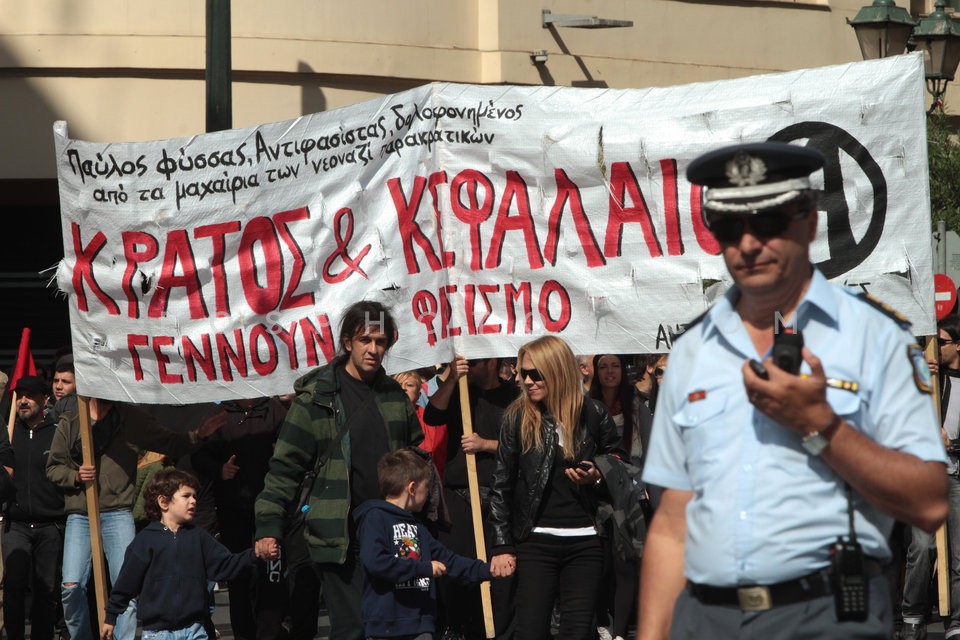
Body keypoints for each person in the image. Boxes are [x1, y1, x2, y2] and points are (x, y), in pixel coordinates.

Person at [638, 141, 949, 640]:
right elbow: (674, 521)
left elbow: (929, 502)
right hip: (705, 619)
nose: (747, 244)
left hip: (823, 616)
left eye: (767, 223)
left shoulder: (875, 338)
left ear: (808, 224)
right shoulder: (693, 350)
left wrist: (819, 425)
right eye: (727, 227)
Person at [253, 300, 424, 640]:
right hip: (339, 533)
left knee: (401, 623)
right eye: (365, 340)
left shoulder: (393, 395)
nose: (374, 349)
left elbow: (415, 457)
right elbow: (284, 468)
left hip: (396, 531)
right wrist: (268, 525)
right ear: (348, 342)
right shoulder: (316, 397)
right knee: (354, 628)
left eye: (380, 342)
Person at [46, 399, 226, 640]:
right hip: (80, 514)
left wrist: (198, 436)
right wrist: (74, 476)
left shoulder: (131, 418)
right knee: (71, 587)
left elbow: (170, 442)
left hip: (117, 511)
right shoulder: (71, 420)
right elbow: (53, 467)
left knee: (126, 589)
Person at [488, 335, 624, 640]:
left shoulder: (594, 413)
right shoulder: (517, 417)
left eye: (536, 374)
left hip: (586, 541)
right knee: (531, 631)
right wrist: (501, 545)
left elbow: (619, 461)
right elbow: (501, 485)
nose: (527, 380)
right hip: (535, 541)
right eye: (523, 373)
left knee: (578, 631)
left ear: (558, 371)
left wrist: (597, 473)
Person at [424, 356, 519, 640]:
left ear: (491, 362)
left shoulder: (515, 397)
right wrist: (452, 378)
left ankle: (497, 632)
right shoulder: (461, 392)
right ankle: (457, 627)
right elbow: (432, 416)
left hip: (500, 498)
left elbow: (527, 443)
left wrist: (485, 445)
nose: (469, 368)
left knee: (502, 575)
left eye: (474, 363)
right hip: (460, 496)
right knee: (456, 569)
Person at [100, 468, 255, 640]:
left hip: (194, 629)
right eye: (186, 496)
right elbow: (125, 584)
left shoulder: (199, 537)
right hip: (157, 633)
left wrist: (255, 554)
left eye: (195, 496)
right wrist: (111, 617)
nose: (193, 501)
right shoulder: (145, 541)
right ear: (163, 502)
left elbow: (225, 565)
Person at [354, 449, 493, 640]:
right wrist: (424, 568)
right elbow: (376, 562)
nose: (428, 493)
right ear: (411, 488)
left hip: (421, 625)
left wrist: (488, 569)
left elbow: (448, 561)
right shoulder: (375, 518)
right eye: (426, 487)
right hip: (385, 627)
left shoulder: (418, 528)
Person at [192, 396, 288, 640]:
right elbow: (199, 457)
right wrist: (219, 470)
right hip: (233, 510)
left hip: (271, 508)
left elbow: (293, 448)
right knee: (239, 579)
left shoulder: (274, 410)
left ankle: (270, 633)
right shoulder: (220, 414)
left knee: (270, 577)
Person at [899, 314, 960, 640]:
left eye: (942, 343)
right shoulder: (924, 376)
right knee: (920, 547)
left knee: (958, 552)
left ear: (958, 345)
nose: (935, 349)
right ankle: (912, 616)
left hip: (954, 475)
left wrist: (953, 443)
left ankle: (956, 620)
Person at [590, 354, 652, 640]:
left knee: (626, 562)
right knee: (601, 567)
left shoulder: (636, 405)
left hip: (630, 493)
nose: (609, 371)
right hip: (597, 494)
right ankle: (602, 619)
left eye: (614, 365)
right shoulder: (586, 406)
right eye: (603, 366)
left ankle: (620, 631)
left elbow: (651, 447)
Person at [2, 375, 60, 640]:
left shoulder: (59, 432)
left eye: (29, 395)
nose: (23, 401)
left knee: (46, 590)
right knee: (13, 587)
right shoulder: (8, 432)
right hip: (16, 524)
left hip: (50, 525)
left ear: (44, 399)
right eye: (19, 396)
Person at [394, 370, 448, 479]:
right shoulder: (384, 418)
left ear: (419, 394)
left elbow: (439, 457)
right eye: (399, 385)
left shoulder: (431, 419)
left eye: (409, 385)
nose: (404, 388)